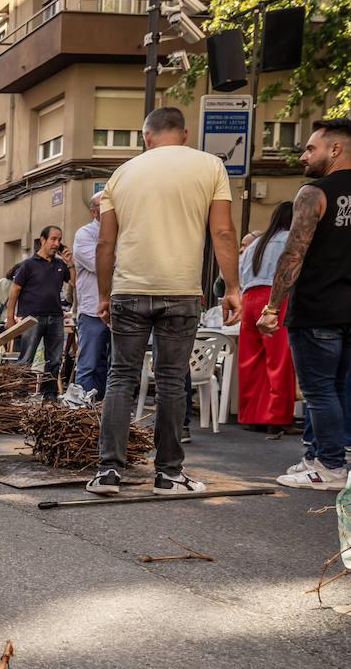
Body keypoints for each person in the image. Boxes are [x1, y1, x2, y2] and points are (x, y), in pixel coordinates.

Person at [88, 106, 240, 496]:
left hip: (128, 290)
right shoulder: (210, 167)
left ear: (146, 136)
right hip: (181, 290)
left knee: (121, 377)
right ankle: (169, 475)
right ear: (185, 134)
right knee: (173, 381)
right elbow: (222, 232)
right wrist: (233, 288)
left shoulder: (121, 174)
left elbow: (106, 242)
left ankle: (108, 473)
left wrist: (105, 295)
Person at [258, 118, 351, 490]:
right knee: (334, 386)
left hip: (317, 306)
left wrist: (272, 308)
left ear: (335, 149)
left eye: (310, 148)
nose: (304, 156)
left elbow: (293, 254)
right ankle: (318, 457)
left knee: (319, 390)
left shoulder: (314, 193)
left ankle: (331, 466)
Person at [237, 201, 294, 431]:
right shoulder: (292, 239)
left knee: (250, 360)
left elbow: (241, 272)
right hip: (276, 298)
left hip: (249, 298)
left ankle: (251, 416)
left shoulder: (255, 243)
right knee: (279, 361)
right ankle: (277, 419)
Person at [6, 226, 70, 397]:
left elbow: (75, 283)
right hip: (32, 318)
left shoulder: (60, 265)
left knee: (55, 359)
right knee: (26, 358)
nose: (57, 244)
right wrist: (10, 318)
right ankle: (20, 394)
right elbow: (14, 291)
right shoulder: (28, 265)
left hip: (55, 317)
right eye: (53, 239)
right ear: (43, 240)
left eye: (59, 240)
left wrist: (69, 262)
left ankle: (49, 395)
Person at [72, 192, 109, 399]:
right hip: (93, 310)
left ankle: (105, 409)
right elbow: (100, 265)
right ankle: (81, 411)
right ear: (94, 212)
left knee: (112, 366)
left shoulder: (123, 233)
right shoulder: (84, 234)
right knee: (89, 364)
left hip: (118, 309)